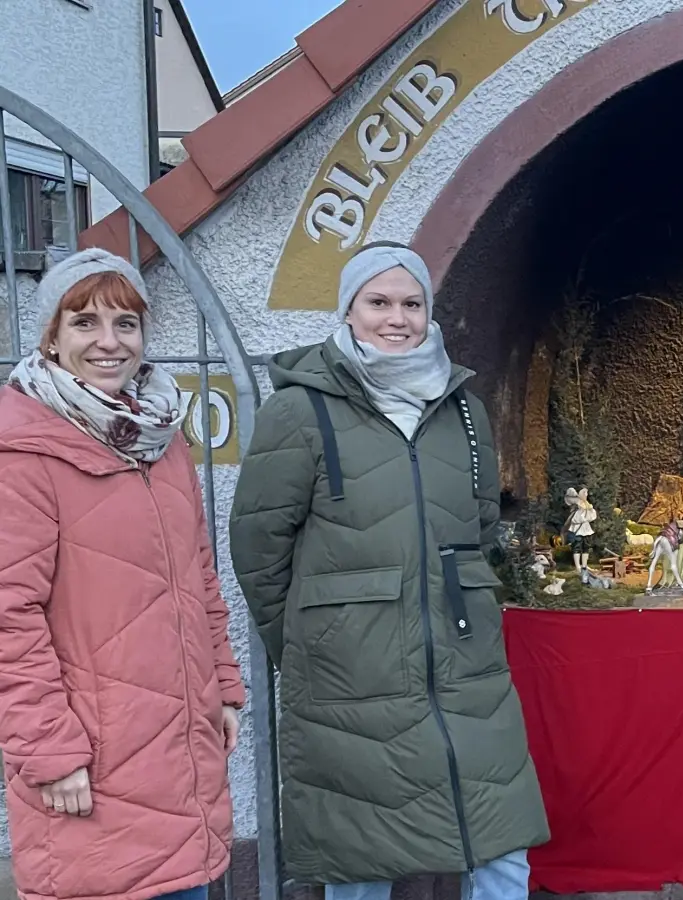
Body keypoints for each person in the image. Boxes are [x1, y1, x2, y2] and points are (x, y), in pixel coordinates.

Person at [229, 242, 548, 900]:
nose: (395, 317)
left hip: (465, 668)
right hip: (351, 675)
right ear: (348, 309)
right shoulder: (300, 410)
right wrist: (311, 647)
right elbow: (259, 547)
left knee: (498, 844)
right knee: (362, 860)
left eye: (411, 303)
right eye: (378, 302)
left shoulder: (464, 408)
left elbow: (480, 523)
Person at [0, 249, 244, 900]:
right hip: (90, 766)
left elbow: (197, 575)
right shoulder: (22, 451)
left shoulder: (158, 440)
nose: (108, 342)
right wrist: (49, 751)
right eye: (84, 323)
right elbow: (7, 620)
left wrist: (222, 684)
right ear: (50, 337)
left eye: (126, 324)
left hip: (176, 757)